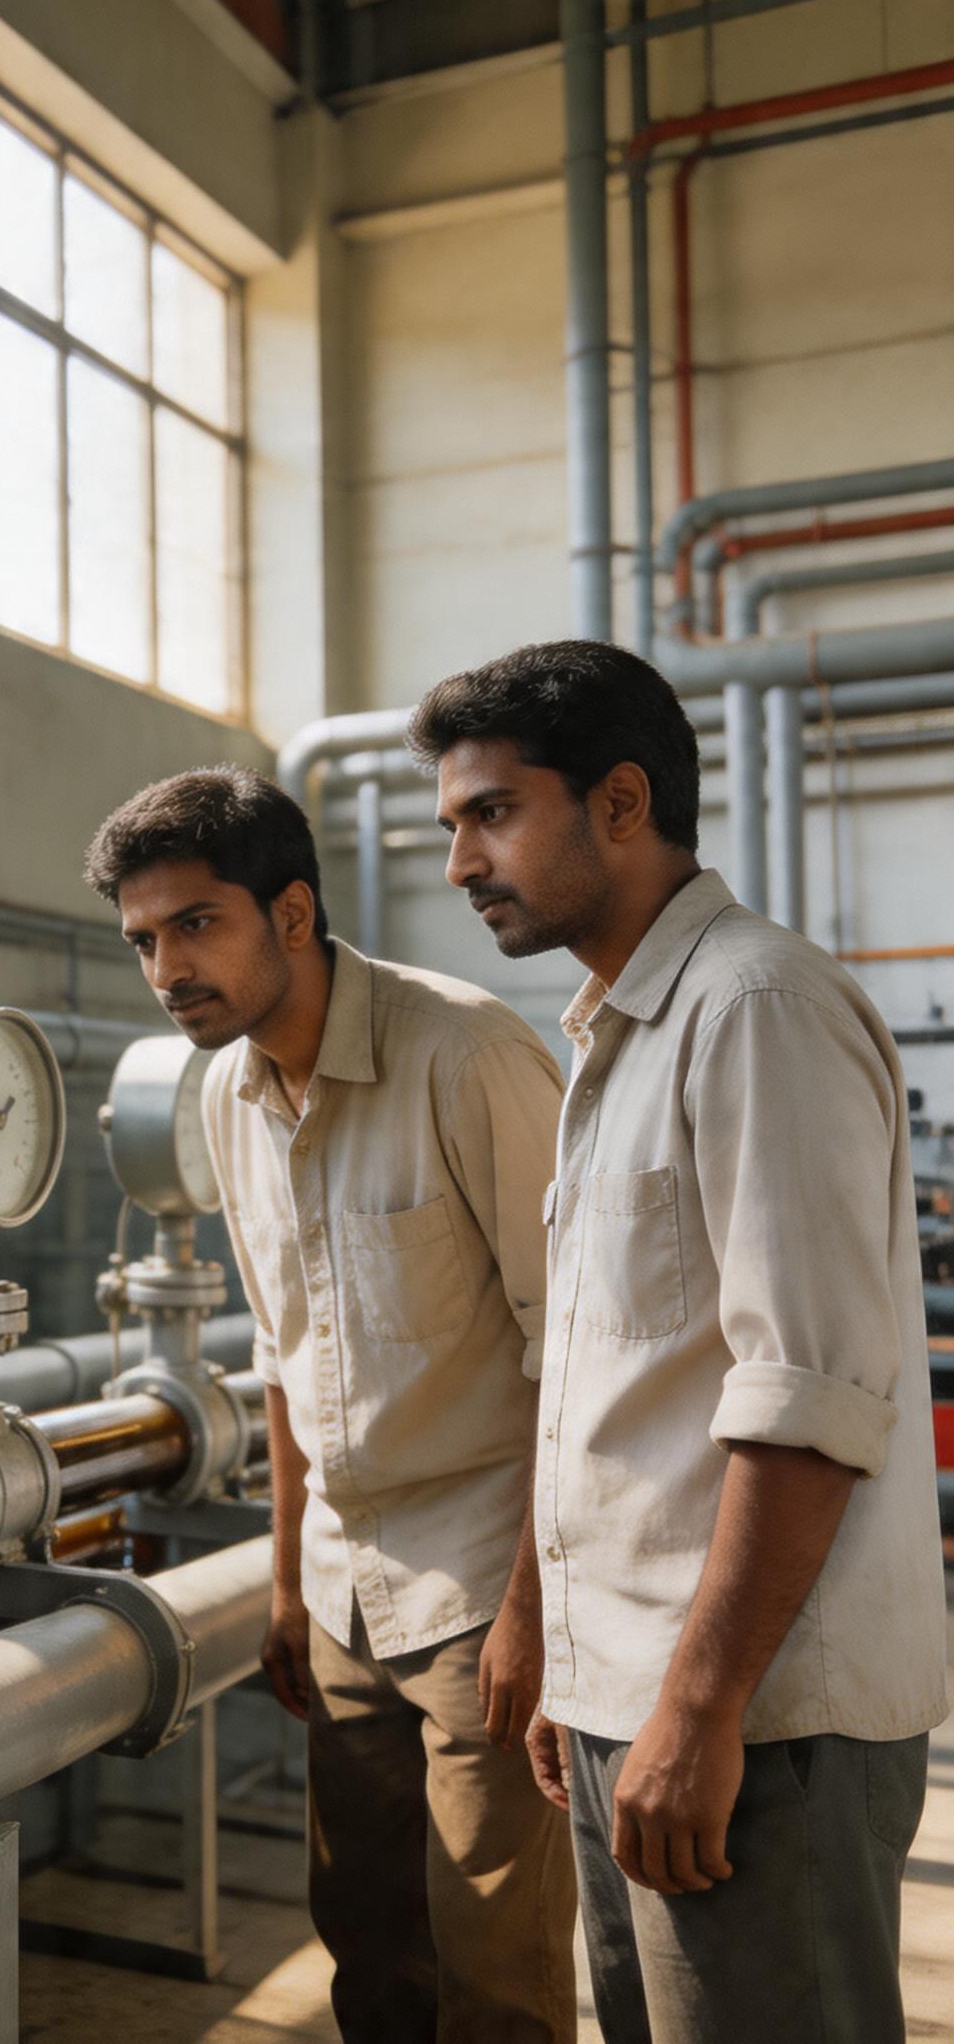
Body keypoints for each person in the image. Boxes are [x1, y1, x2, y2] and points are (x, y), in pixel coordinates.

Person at [409, 638, 947, 2043]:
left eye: (491, 812)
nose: (460, 862)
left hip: (761, 1725)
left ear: (620, 802)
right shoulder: (618, 1036)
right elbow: (603, 1386)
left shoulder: (755, 1008)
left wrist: (697, 1711)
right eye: (451, 823)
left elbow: (807, 1396)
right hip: (635, 1702)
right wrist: (565, 1653)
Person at [84, 765, 577, 2043]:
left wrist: (535, 1613)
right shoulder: (224, 1089)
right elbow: (281, 1349)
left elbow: (577, 1352)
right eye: (142, 940)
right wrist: (285, 1581)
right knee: (363, 1940)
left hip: (485, 1587)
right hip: (342, 1593)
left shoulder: (465, 1054)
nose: (165, 969)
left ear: (291, 912)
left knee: (492, 1966)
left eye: (196, 924)